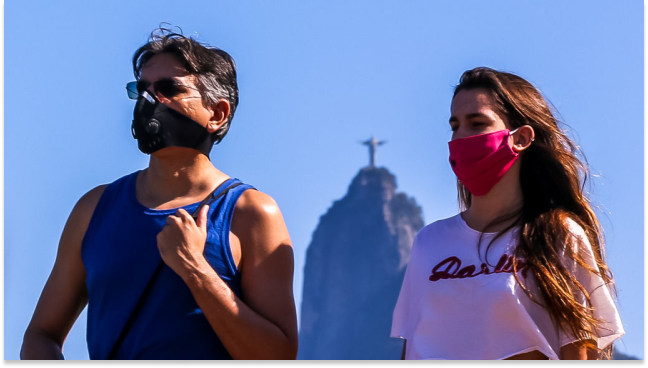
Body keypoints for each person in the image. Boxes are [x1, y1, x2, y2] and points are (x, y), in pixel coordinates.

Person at [21, 28, 298, 360]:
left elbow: (278, 354)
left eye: (169, 89)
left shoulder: (251, 213)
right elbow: (41, 334)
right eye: (141, 89)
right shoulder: (94, 208)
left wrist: (195, 269)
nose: (148, 100)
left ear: (217, 114)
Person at [391, 67, 624, 360]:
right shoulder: (429, 242)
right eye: (454, 125)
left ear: (522, 138)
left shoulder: (558, 235)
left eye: (477, 123)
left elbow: (579, 350)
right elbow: (412, 348)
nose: (461, 136)